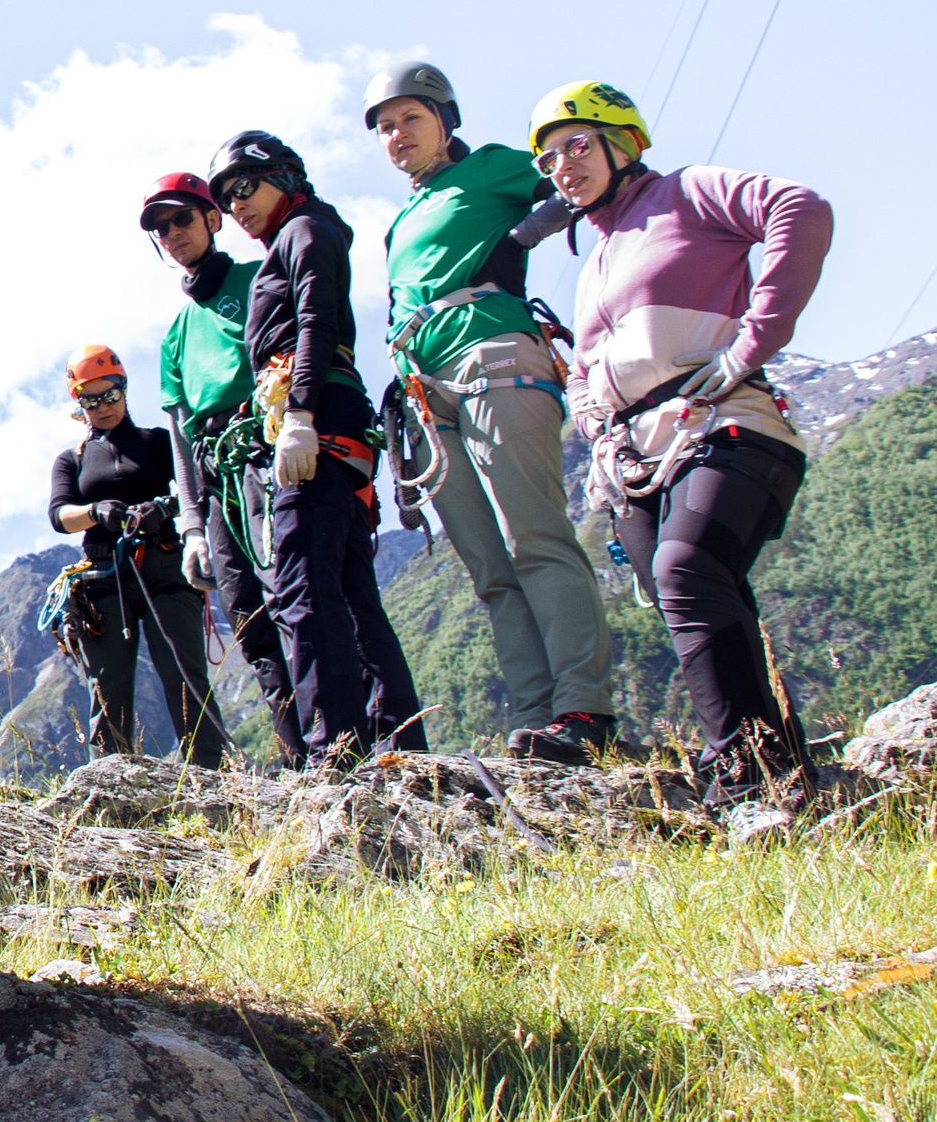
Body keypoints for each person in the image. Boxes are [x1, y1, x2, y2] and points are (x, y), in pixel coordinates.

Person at [532, 81, 829, 827]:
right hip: (636, 454)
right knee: (692, 591)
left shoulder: (688, 193)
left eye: (576, 145)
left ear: (622, 142)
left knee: (688, 568)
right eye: (548, 159)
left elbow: (800, 208)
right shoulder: (597, 256)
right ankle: (771, 762)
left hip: (725, 419)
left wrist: (752, 342)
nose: (562, 166)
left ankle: (744, 771)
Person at [366, 62, 618, 764]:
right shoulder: (404, 218)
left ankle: (583, 707)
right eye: (385, 127)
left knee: (534, 534)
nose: (397, 135)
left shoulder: (496, 168)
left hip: (491, 354)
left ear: (446, 118)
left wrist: (521, 240)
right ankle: (539, 717)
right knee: (488, 567)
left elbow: (575, 188)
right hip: (424, 389)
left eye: (409, 118)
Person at [209, 130, 424, 763]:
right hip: (326, 414)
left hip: (318, 412)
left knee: (301, 579)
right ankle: (399, 743)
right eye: (226, 198)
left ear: (283, 175)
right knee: (350, 586)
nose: (236, 206)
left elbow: (315, 319)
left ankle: (337, 748)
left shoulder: (304, 231)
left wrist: (298, 413)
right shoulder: (301, 232)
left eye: (245, 187)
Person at [148, 172, 308, 766]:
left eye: (181, 220)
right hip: (216, 480)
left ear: (213, 219)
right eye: (160, 229)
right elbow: (181, 434)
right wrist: (192, 527)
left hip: (264, 454)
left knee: (293, 597)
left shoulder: (257, 280)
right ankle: (298, 756)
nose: (172, 234)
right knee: (248, 616)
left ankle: (336, 743)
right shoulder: (173, 335)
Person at [47, 345, 225, 764]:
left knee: (185, 675)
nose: (103, 407)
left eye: (110, 395)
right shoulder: (71, 460)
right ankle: (110, 787)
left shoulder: (158, 443)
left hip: (162, 564)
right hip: (102, 577)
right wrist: (95, 512)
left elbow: (192, 489)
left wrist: (163, 507)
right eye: (91, 400)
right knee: (106, 686)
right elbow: (59, 515)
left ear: (124, 391)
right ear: (79, 404)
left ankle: (210, 774)